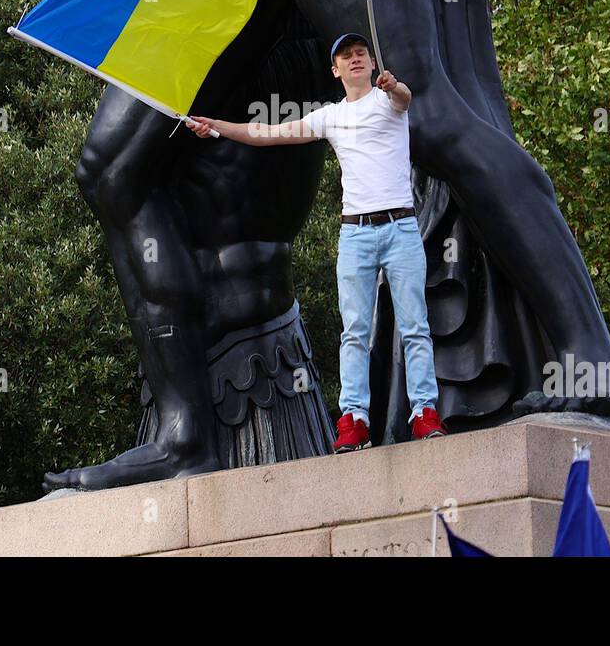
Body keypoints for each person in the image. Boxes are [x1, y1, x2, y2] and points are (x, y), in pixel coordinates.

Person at [187, 33, 447, 451]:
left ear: (371, 61)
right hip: (355, 233)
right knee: (355, 330)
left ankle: (424, 412)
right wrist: (215, 127)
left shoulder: (387, 99)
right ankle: (354, 418)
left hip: (399, 227)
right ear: (336, 69)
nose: (355, 59)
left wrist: (393, 85)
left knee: (415, 326)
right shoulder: (330, 116)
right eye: (347, 56)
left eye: (361, 53)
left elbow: (405, 97)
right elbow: (266, 132)